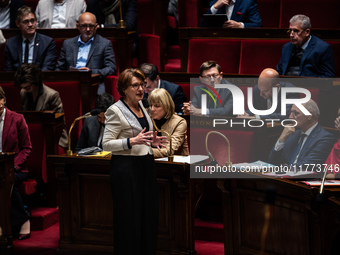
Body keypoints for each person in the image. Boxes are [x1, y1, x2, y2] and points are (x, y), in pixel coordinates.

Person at [102, 68, 167, 255]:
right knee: (129, 220)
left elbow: (141, 135)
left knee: (148, 217)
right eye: (135, 85)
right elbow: (106, 144)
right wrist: (131, 141)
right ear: (124, 88)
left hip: (145, 166)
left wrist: (150, 141)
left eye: (142, 85)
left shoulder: (143, 106)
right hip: (126, 170)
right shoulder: (115, 110)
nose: (140, 89)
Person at [56, 12, 116, 94]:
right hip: (72, 83)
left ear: (96, 27)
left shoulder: (105, 44)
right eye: (84, 26)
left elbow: (111, 68)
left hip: (93, 83)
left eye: (91, 26)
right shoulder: (67, 44)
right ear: (78, 26)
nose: (88, 29)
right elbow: (59, 69)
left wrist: (90, 72)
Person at [0, 86, 32, 240]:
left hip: (15, 168)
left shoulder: (17, 119)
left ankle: (22, 220)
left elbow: (27, 148)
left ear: (3, 100)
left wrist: (13, 166)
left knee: (5, 180)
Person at [268, 99, 335, 170]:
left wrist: (283, 167)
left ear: (309, 115)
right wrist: (281, 139)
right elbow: (271, 162)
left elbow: (305, 166)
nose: (290, 117)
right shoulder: (292, 134)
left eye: (296, 113)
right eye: (291, 113)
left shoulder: (325, 138)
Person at [14, 63, 68, 149]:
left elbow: (59, 125)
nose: (25, 90)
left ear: (35, 81)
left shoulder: (52, 95)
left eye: (27, 87)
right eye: (23, 87)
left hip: (52, 138)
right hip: (31, 136)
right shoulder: (23, 93)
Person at [4, 5, 57, 71]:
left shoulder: (48, 42)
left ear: (36, 21)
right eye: (26, 22)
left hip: (39, 79)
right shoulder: (10, 44)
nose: (30, 24)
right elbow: (9, 71)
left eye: (32, 20)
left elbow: (47, 68)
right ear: (17, 24)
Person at [148, 88, 189, 158]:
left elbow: (168, 151)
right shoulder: (148, 119)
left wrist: (142, 151)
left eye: (157, 106)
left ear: (166, 106)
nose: (152, 109)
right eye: (150, 105)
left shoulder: (179, 122)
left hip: (174, 166)